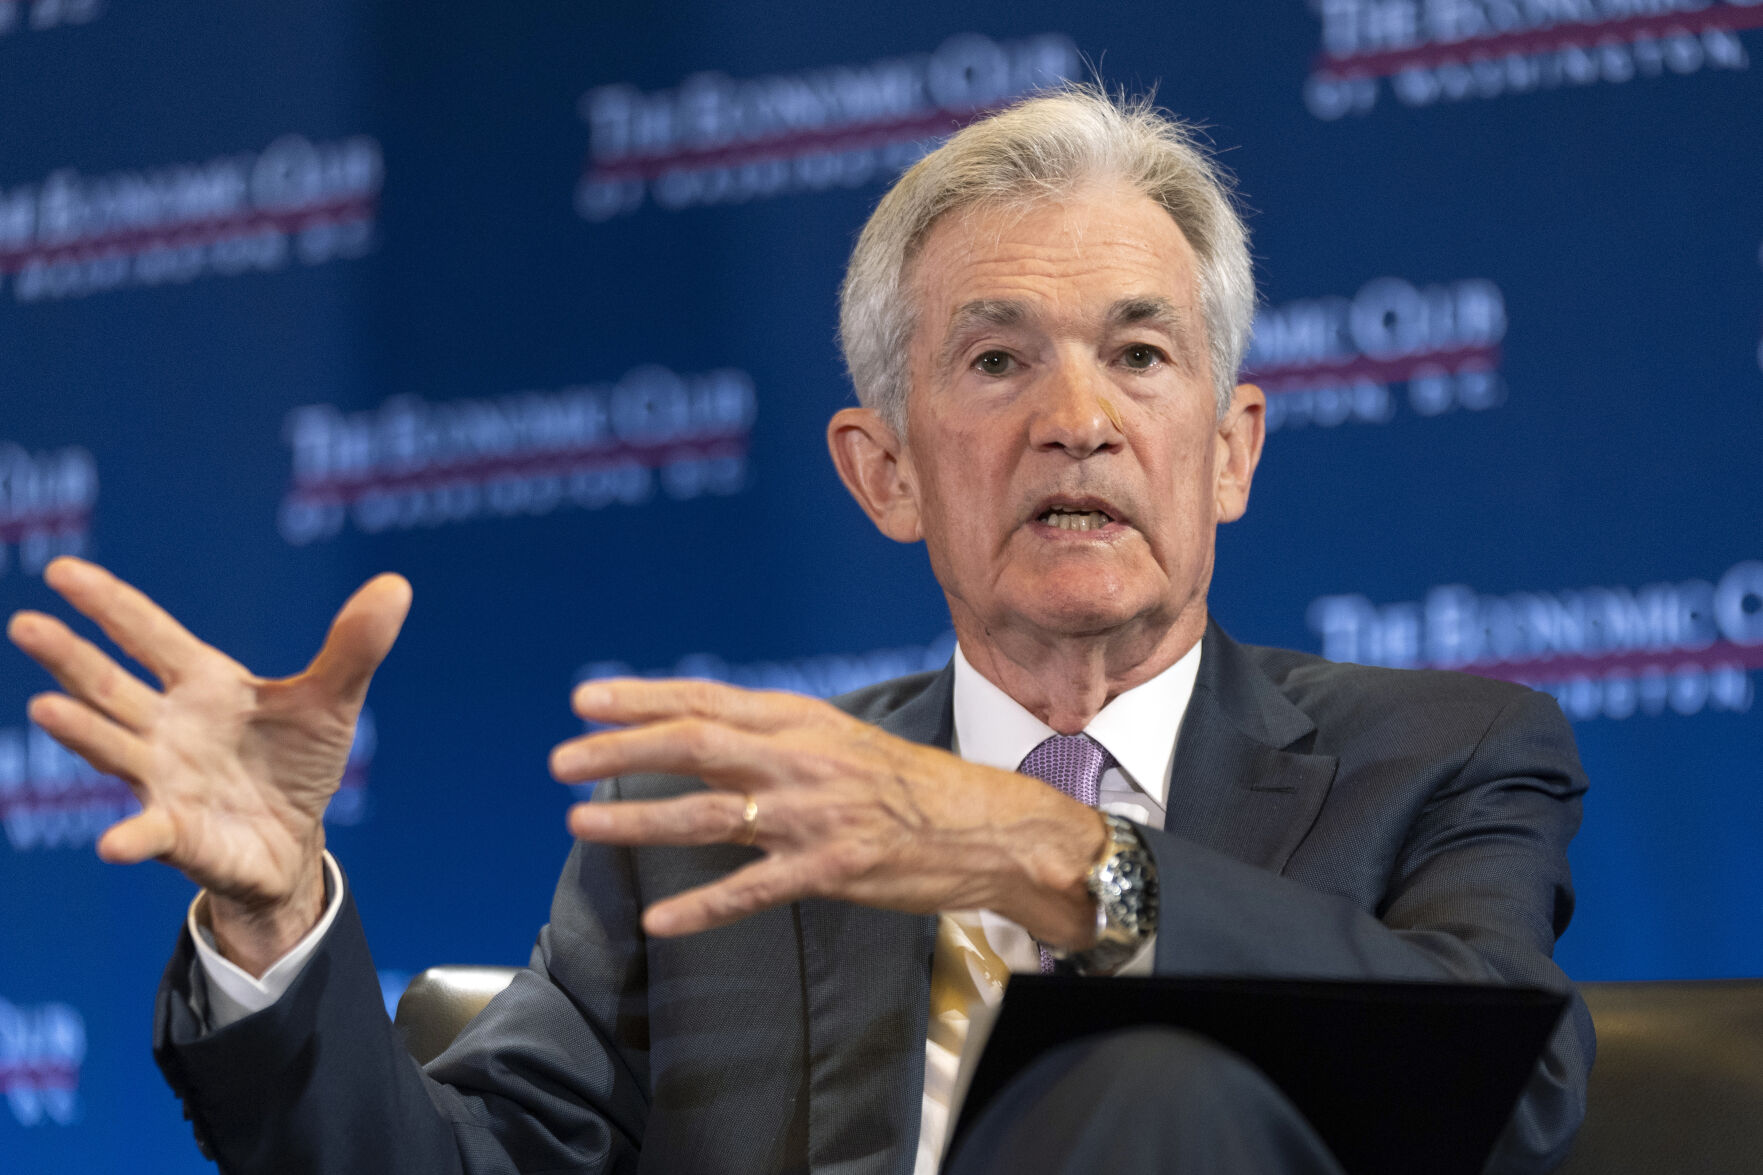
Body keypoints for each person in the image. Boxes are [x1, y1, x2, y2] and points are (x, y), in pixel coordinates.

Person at [7, 87, 1592, 1174]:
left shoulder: (1447, 759)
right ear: (883, 471)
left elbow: (1501, 1082)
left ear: (1233, 445)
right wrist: (278, 921)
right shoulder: (705, 836)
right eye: (996, 362)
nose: (1079, 422)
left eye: (1140, 356)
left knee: (1156, 1079)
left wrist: (1043, 859)